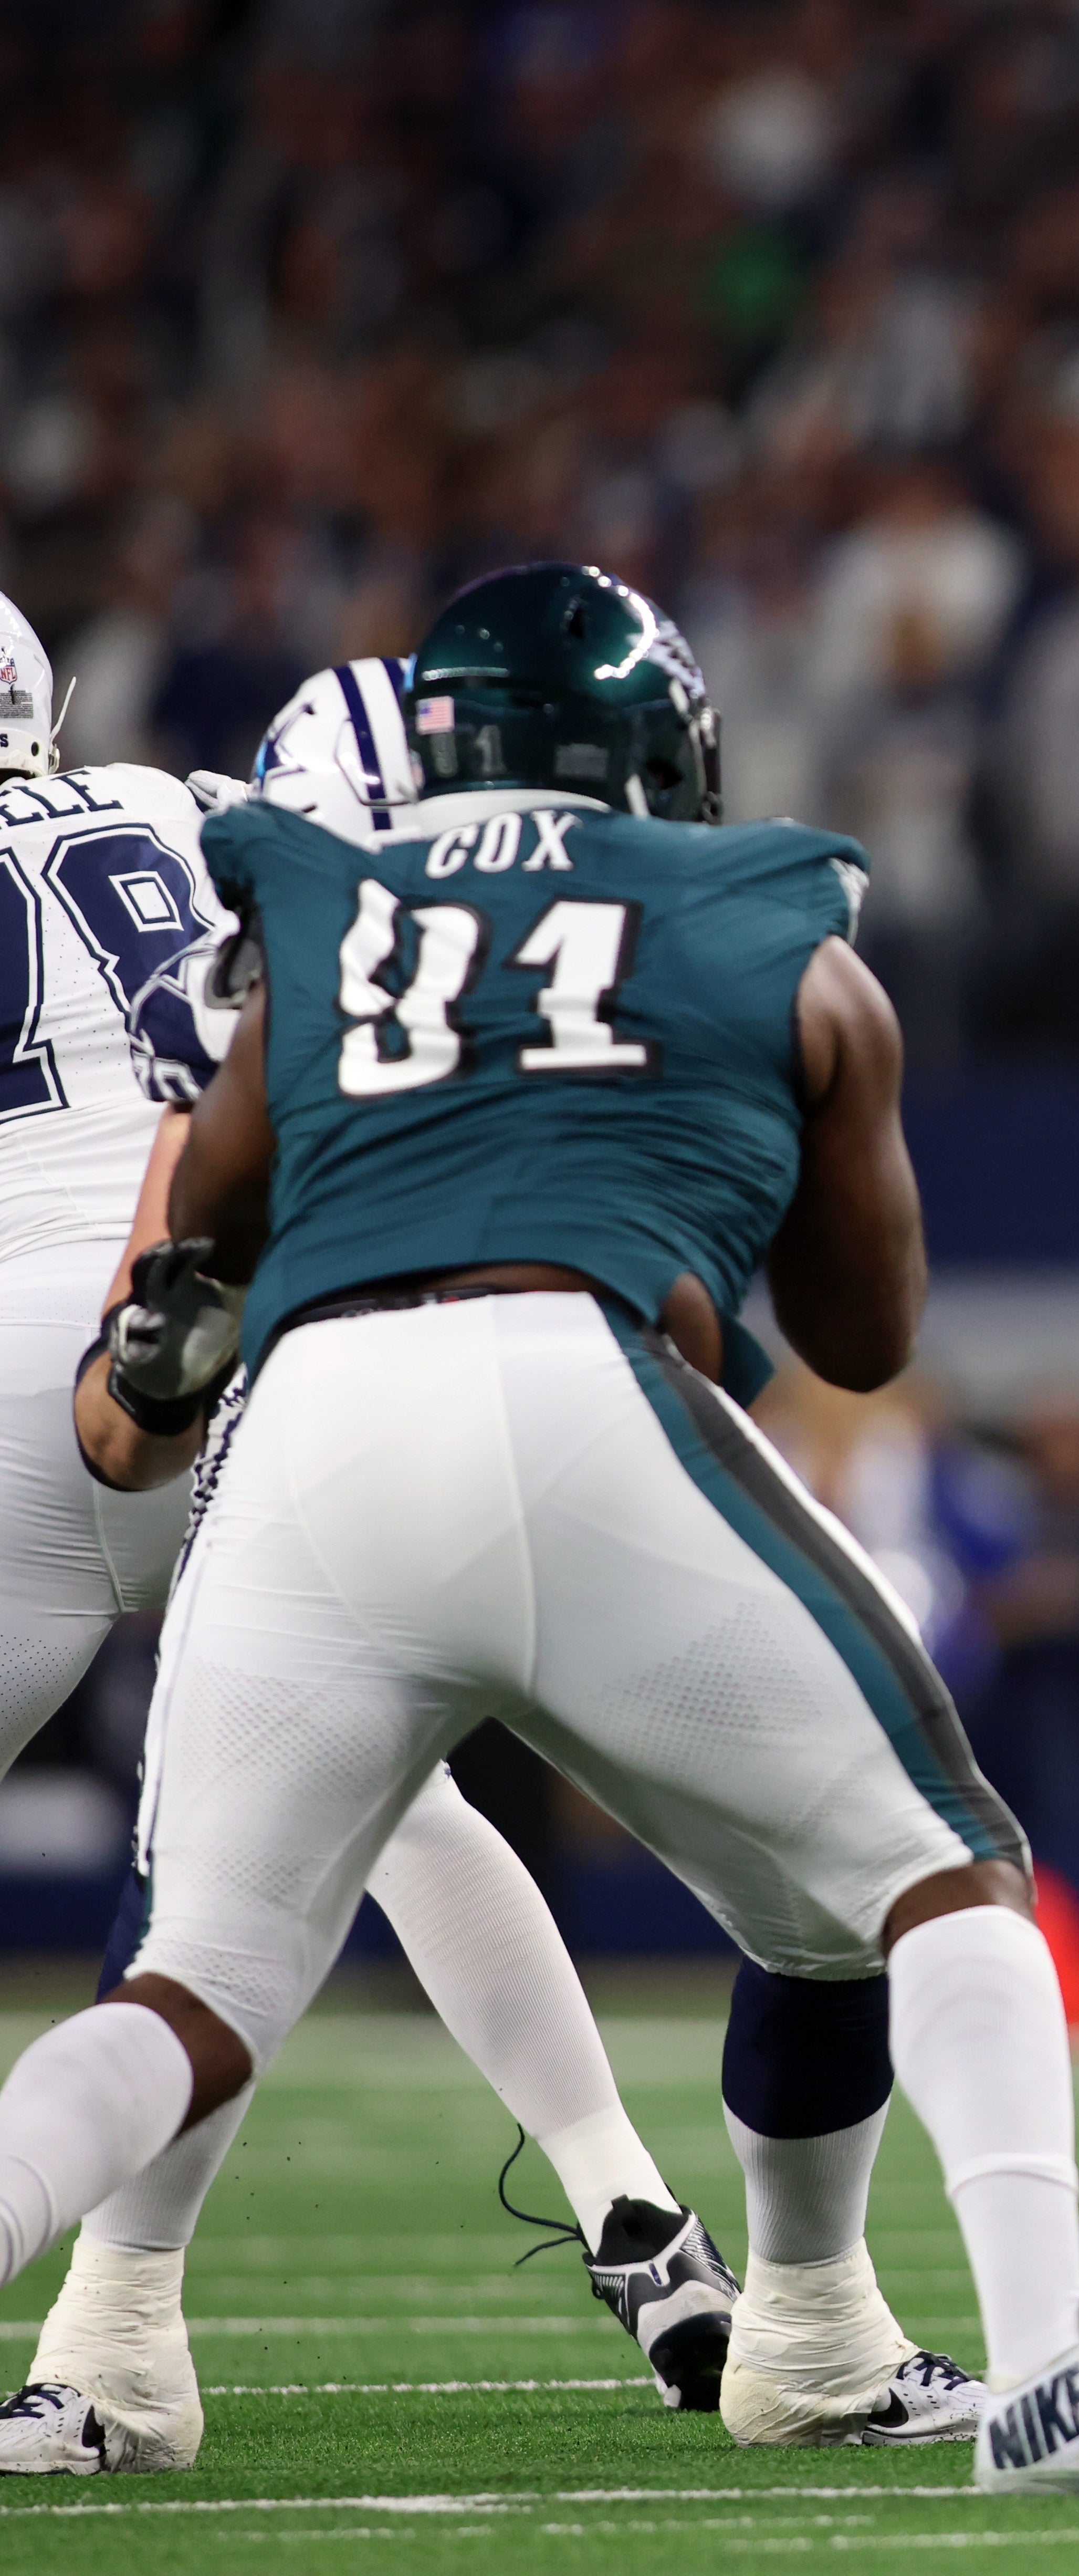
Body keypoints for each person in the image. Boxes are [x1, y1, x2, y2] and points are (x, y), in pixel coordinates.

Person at [0, 563, 1079, 2495]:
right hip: (563, 1382)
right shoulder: (755, 898)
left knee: (188, 1988)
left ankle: (135, 2339)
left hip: (281, 1425)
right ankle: (1032, 2373)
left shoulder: (307, 891)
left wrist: (151, 1370)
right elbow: (862, 1332)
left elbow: (196, 1237)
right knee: (937, 1868)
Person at [0, 636, 811, 2470]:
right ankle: (628, 2217)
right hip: (221, 1303)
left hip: (30, 1362)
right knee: (374, 1799)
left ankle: (123, 2338)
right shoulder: (170, 808)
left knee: (273, 1844)